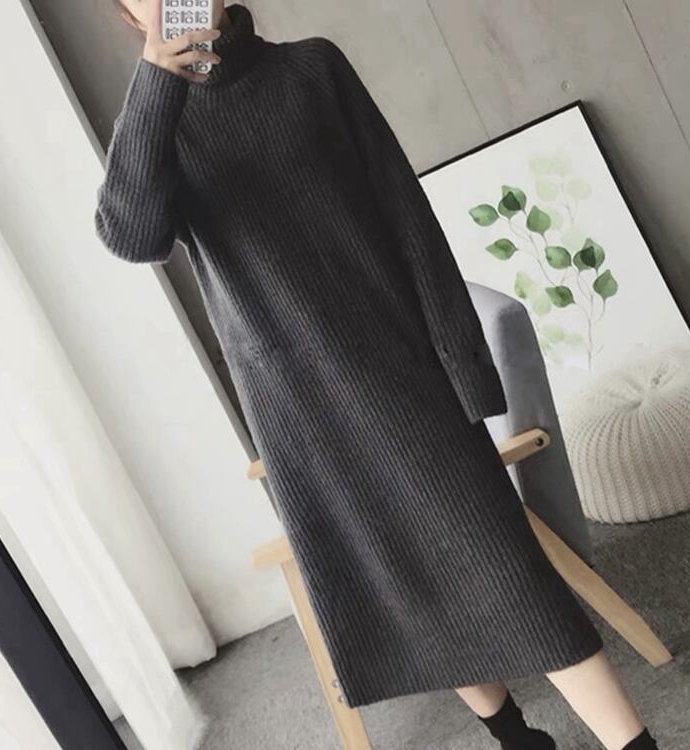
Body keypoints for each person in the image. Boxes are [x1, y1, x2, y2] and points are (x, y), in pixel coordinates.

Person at [96, 2, 660, 748]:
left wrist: (466, 371)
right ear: (128, 13)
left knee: (512, 578)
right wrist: (154, 85)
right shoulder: (151, 130)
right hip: (300, 414)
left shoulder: (312, 70)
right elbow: (130, 235)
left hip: (402, 376)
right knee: (408, 590)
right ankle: (517, 737)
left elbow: (409, 220)